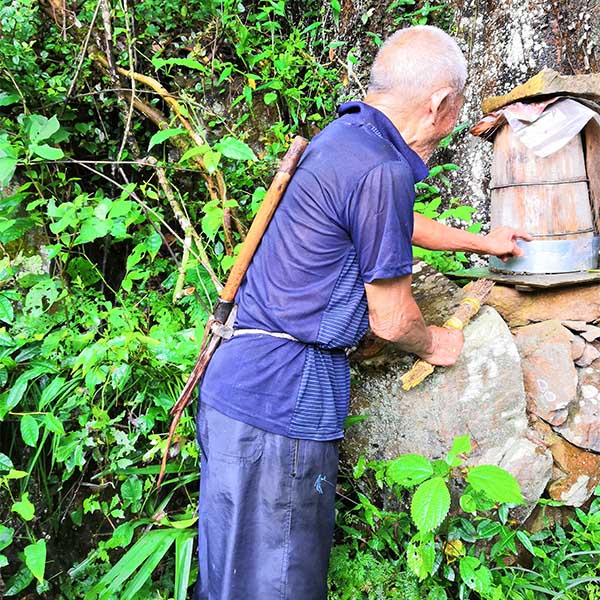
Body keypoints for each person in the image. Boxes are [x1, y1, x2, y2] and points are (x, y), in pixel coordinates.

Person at [194, 25, 530, 600]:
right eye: (457, 108)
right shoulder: (382, 168)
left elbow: (381, 220)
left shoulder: (347, 138)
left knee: (229, 575)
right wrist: (435, 344)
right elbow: (392, 319)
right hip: (284, 401)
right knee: (279, 583)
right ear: (439, 105)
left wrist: (479, 242)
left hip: (237, 385)